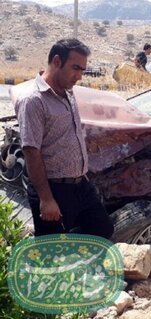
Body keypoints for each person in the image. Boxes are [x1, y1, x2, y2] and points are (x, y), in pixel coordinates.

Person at [15, 38, 113, 239]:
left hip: (81, 185)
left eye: (83, 70)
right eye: (75, 68)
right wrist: (46, 199)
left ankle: (71, 249)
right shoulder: (33, 100)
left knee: (102, 230)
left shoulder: (68, 92)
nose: (79, 76)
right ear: (57, 61)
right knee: (52, 251)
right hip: (53, 189)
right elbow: (31, 152)